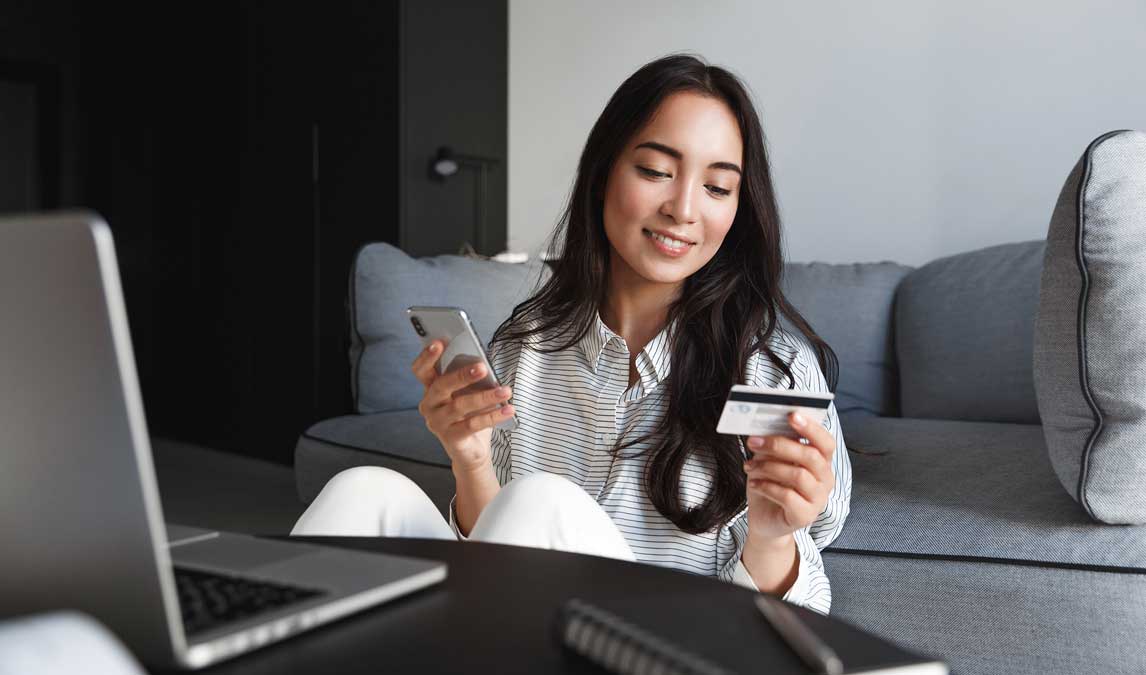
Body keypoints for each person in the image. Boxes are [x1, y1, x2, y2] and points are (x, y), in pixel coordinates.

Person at [292, 52, 851, 614]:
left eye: (717, 188)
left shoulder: (772, 368)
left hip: (663, 643)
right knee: (363, 491)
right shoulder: (526, 346)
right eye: (657, 171)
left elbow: (785, 625)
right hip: (521, 635)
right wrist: (472, 460)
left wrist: (773, 537)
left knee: (542, 501)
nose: (683, 209)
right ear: (604, 172)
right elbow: (498, 553)